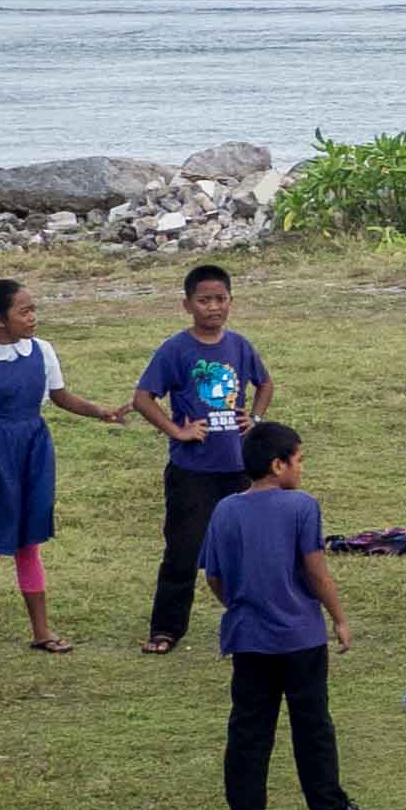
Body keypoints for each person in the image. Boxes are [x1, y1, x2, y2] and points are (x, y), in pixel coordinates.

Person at [202, 418, 370, 810]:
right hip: (301, 638)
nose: (301, 468)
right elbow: (316, 572)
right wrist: (339, 618)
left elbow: (214, 576)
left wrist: (240, 604)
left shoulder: (225, 510)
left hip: (248, 638)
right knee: (312, 725)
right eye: (298, 460)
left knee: (249, 728)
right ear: (278, 465)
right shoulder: (302, 507)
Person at [0, 274, 128, 658]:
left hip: (34, 452)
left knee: (29, 542)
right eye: (24, 311)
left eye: (33, 309)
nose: (32, 317)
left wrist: (100, 412)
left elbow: (60, 396)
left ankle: (41, 630)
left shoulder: (42, 351)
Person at [133, 263, 269, 655]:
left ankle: (254, 620)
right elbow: (143, 398)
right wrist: (177, 431)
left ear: (231, 302)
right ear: (187, 304)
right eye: (204, 300)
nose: (213, 307)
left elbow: (265, 383)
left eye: (220, 299)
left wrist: (255, 418)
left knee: (246, 550)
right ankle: (166, 629)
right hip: (192, 471)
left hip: (239, 469)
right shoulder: (176, 349)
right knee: (183, 551)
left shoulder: (240, 346)